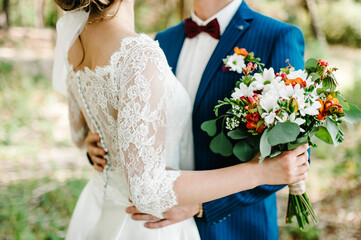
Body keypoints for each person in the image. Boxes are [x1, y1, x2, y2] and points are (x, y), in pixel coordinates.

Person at [54, 0, 310, 239]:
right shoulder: (161, 40)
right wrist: (102, 144)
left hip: (234, 226)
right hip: (152, 220)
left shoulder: (277, 36)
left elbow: (291, 157)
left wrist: (201, 205)